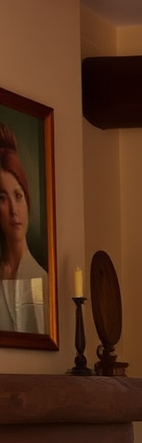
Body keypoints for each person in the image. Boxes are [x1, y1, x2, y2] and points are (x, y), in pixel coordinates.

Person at [0, 123, 47, 334]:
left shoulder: (41, 279)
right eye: (2, 199)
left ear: (27, 200)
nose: (13, 210)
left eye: (18, 196)